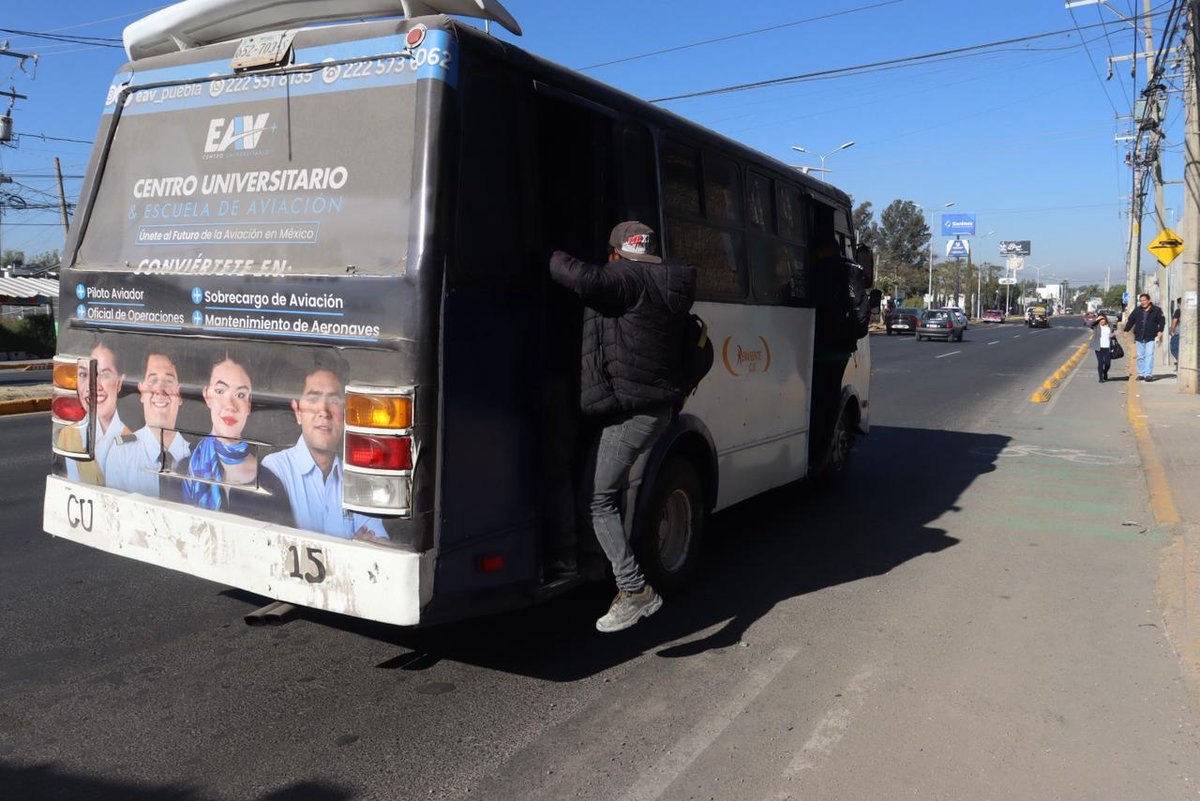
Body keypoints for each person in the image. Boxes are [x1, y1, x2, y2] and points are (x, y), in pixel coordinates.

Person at [548, 220, 696, 633]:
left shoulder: (628, 279)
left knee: (599, 500)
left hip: (635, 414)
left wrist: (543, 247)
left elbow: (575, 275)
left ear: (617, 253)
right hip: (651, 409)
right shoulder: (663, 282)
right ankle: (597, 566)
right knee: (605, 490)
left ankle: (634, 590)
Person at [262, 360, 389, 542]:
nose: (324, 411)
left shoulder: (359, 480)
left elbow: (380, 548)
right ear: (298, 412)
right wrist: (353, 548)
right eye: (313, 399)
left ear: (345, 413)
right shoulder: (275, 469)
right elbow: (278, 546)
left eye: (334, 400)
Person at [170, 353, 292, 525]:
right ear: (207, 395)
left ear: (249, 404)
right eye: (220, 391)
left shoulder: (270, 482)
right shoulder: (182, 470)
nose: (230, 405)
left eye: (240, 395)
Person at [105, 352, 190, 496]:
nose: (159, 389)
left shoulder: (197, 455)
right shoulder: (121, 453)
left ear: (180, 394)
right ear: (142, 392)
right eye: (153, 380)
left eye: (169, 381)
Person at [56, 341, 128, 485]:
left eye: (104, 375)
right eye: (83, 374)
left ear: (120, 382)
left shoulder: (135, 441)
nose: (92, 386)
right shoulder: (67, 436)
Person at [1123, 293, 1165, 381]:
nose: (1143, 302)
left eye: (1144, 300)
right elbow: (1131, 320)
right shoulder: (1137, 310)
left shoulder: (1157, 310)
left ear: (1149, 300)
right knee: (1140, 356)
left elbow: (1162, 321)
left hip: (1151, 336)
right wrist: (1126, 330)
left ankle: (1148, 375)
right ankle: (1141, 374)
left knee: (1149, 355)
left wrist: (1160, 331)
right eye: (1141, 301)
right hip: (1139, 336)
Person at [1088, 313, 1114, 383]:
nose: (1102, 321)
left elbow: (1112, 334)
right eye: (1100, 319)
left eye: (1103, 319)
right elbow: (1089, 324)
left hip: (1107, 347)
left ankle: (1105, 372)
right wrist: (1096, 320)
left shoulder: (1110, 326)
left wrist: (1112, 335)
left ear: (1105, 319)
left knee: (1108, 363)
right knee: (1101, 362)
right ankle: (1101, 378)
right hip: (1098, 347)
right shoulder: (1096, 326)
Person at [1170, 298, 1181, 366]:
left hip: (1178, 333)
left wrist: (1172, 331)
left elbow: (1174, 321)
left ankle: (1181, 361)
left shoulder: (1178, 311)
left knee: (1173, 348)